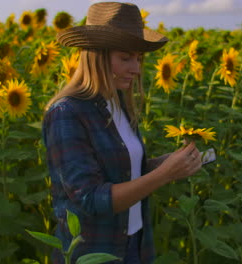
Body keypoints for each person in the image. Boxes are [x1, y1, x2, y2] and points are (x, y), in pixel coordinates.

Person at [42, 2, 203, 264]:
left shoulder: (117, 104)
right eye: (125, 58)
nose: (136, 69)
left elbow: (121, 174)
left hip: (134, 244)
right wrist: (164, 175)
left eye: (138, 59)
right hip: (93, 252)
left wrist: (163, 164)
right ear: (97, 56)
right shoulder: (67, 114)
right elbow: (91, 199)